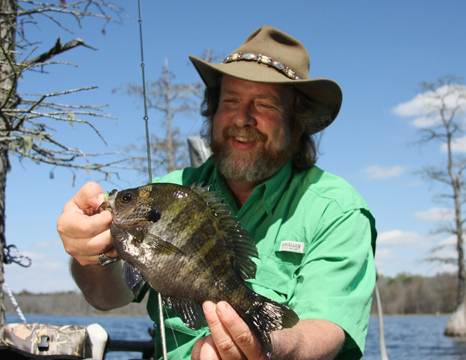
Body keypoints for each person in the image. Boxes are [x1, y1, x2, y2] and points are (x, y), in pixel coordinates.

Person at [58, 25, 377, 360]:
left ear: (296, 123)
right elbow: (106, 297)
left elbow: (325, 327)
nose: (242, 118)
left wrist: (266, 347)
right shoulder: (172, 191)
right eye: (230, 100)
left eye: (264, 104)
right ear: (212, 110)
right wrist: (91, 254)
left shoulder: (336, 209)